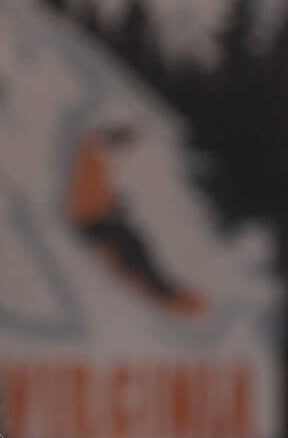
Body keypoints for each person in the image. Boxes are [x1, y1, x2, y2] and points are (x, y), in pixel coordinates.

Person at [67, 125, 206, 317]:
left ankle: (166, 290)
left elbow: (96, 192)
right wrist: (110, 206)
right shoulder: (94, 157)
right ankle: (165, 292)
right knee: (133, 246)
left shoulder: (98, 160)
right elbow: (87, 195)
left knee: (137, 243)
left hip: (94, 217)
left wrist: (113, 204)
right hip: (89, 220)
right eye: (117, 142)